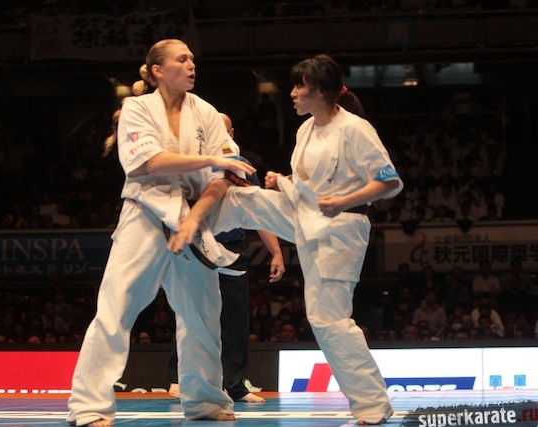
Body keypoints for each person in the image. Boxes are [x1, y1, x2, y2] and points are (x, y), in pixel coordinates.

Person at [169, 54, 402, 424]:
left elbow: (389, 182)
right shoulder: (306, 128)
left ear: (321, 91)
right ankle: (201, 239)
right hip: (304, 215)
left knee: (328, 320)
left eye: (299, 86)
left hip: (340, 228)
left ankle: (373, 404)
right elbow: (313, 183)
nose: (292, 93)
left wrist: (344, 200)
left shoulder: (354, 129)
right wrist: (284, 182)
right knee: (240, 198)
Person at [66, 39, 257, 427]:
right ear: (157, 70)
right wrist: (209, 158)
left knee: (203, 314)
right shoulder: (136, 109)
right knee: (116, 308)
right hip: (145, 215)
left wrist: (195, 215)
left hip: (192, 221)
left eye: (192, 59)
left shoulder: (205, 112)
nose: (191, 65)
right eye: (182, 59)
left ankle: (204, 400)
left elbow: (228, 173)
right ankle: (89, 406)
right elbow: (149, 163)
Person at [167, 113, 286, 404]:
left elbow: (259, 213)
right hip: (196, 247)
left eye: (222, 129)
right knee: (191, 311)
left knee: (235, 319)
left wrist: (276, 252)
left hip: (232, 248)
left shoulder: (242, 166)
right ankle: (178, 377)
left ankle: (235, 386)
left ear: (231, 133)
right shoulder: (193, 162)